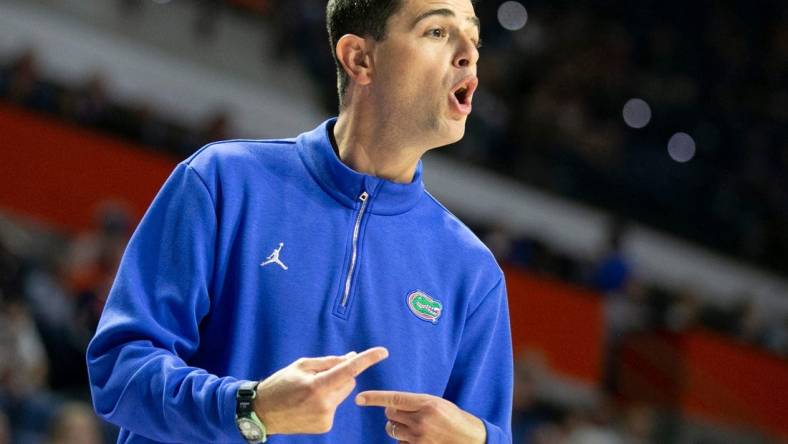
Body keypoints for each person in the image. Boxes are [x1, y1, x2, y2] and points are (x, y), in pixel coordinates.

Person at [86, 0, 513, 443]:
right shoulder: (223, 181)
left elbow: (491, 432)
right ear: (359, 59)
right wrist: (251, 408)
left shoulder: (474, 274)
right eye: (438, 32)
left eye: (474, 38)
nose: (470, 53)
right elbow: (119, 373)